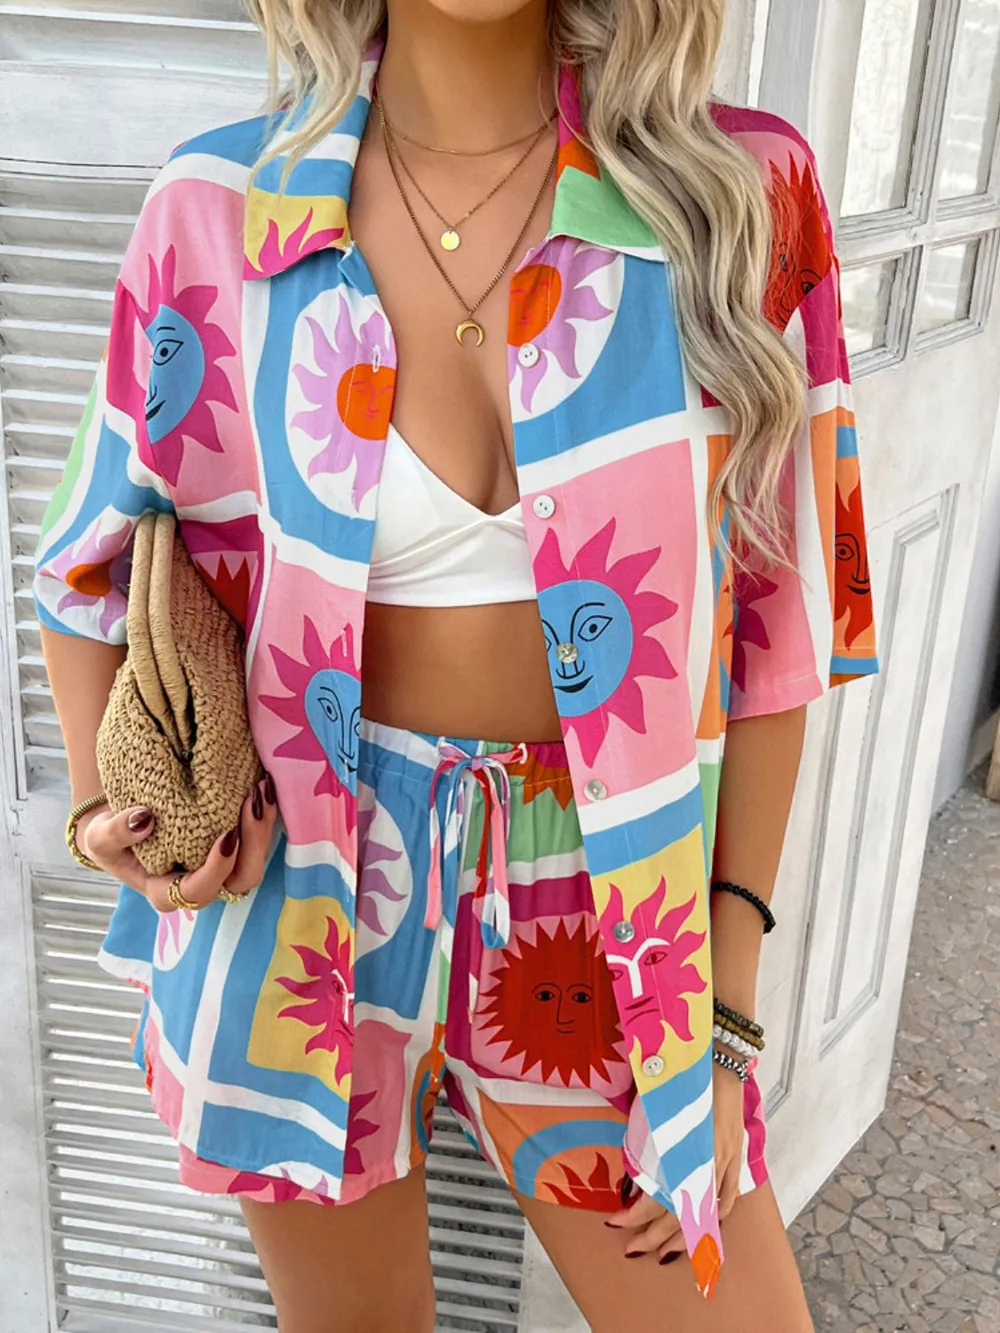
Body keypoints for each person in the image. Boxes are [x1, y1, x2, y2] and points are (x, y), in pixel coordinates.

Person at [33, 1, 878, 1329]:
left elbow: (786, 625)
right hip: (301, 881)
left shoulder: (742, 194)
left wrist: (726, 1018)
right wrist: (111, 806)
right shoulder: (218, 207)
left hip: (611, 903)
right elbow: (89, 558)